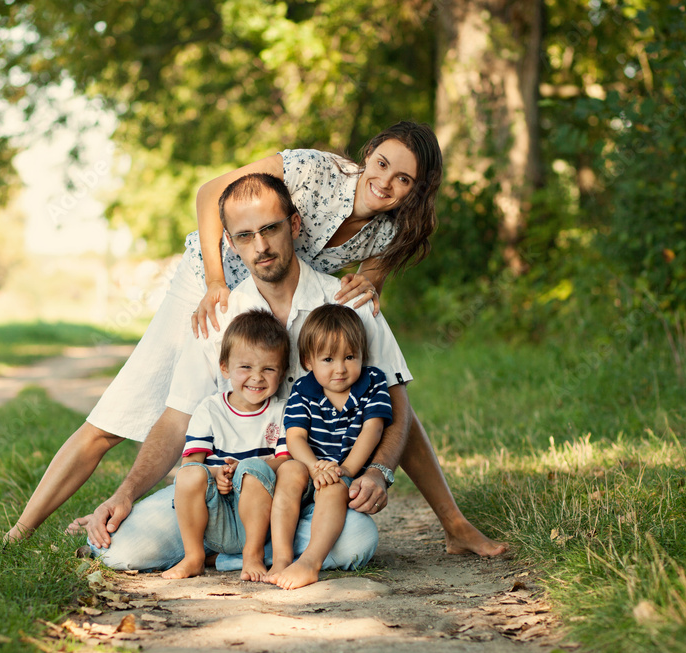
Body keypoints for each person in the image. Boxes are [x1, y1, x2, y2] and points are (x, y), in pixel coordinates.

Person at [7, 121, 444, 543]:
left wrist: (378, 470)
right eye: (382, 163)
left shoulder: (390, 230)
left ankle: (453, 524)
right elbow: (212, 192)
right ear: (369, 154)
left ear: (416, 189)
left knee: (376, 383)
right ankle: (20, 532)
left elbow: (366, 296)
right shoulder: (314, 171)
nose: (386, 181)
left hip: (278, 294)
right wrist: (216, 281)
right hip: (211, 288)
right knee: (119, 418)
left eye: (403, 178)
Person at [82, 173, 504, 574]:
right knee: (121, 551)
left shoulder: (348, 302)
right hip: (223, 493)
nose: (260, 246)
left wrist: (378, 471)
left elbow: (394, 404)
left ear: (295, 225)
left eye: (270, 229)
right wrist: (126, 493)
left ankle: (239, 552)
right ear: (230, 243)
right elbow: (176, 419)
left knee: (356, 540)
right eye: (245, 236)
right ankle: (233, 546)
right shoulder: (220, 315)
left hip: (309, 490)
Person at [266, 304, 392, 589]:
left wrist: (345, 468)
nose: (340, 368)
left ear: (362, 355)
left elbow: (373, 429)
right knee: (289, 472)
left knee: (333, 485)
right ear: (309, 361)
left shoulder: (372, 383)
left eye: (350, 357)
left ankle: (310, 561)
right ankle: (282, 558)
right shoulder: (303, 389)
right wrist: (313, 466)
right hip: (310, 467)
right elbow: (295, 436)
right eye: (328, 359)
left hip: (343, 470)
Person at [161, 310, 291, 581]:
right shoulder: (210, 409)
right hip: (215, 517)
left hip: (261, 518)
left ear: (283, 372)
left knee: (254, 468)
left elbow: (286, 461)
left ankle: (252, 555)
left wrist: (247, 468)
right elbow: (191, 465)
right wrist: (215, 472)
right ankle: (194, 556)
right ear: (225, 367)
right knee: (188, 475)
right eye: (245, 367)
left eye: (268, 369)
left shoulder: (282, 412)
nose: (256, 378)